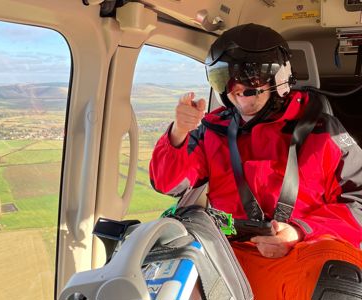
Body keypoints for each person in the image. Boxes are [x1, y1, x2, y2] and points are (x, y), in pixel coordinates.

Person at [149, 23, 362, 299]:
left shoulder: (323, 131)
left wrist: (300, 231)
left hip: (308, 252)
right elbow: (168, 183)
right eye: (224, 77)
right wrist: (178, 133)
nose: (236, 87)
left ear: (278, 77)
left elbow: (358, 203)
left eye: (249, 76)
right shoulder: (212, 130)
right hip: (230, 258)